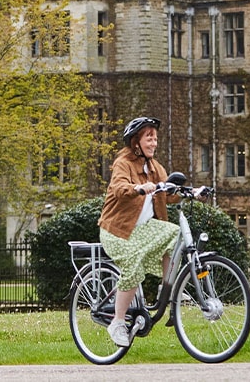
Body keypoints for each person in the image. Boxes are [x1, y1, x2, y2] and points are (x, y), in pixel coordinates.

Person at [97, 116, 201, 347]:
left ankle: (168, 292)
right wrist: (137, 188)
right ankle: (117, 321)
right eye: (149, 138)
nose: (154, 143)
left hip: (142, 229)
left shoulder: (154, 167)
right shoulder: (123, 163)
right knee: (133, 265)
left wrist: (193, 192)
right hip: (117, 230)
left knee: (175, 235)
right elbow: (119, 188)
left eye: (155, 139)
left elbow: (170, 192)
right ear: (136, 141)